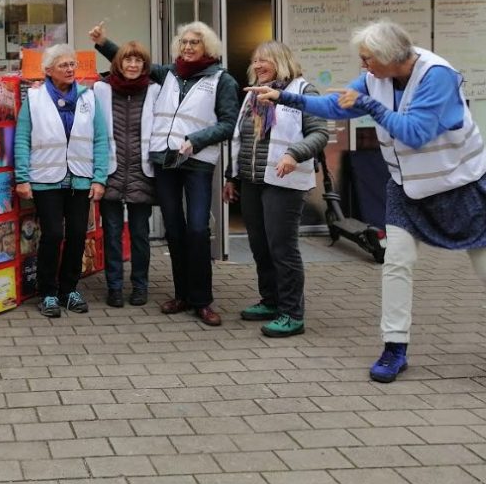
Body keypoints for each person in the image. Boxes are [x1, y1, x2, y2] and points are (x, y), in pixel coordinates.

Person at [248, 20, 486, 382]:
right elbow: (335, 105)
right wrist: (286, 97)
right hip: (407, 188)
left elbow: (415, 133)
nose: (363, 67)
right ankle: (394, 348)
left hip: (461, 185)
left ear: (391, 58)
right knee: (396, 263)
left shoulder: (437, 77)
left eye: (367, 59)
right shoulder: (377, 77)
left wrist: (369, 106)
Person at [91, 22, 239, 326]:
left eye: (194, 42)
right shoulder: (169, 72)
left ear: (207, 47)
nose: (187, 47)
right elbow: (130, 61)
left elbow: (229, 122)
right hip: (165, 161)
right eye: (184, 42)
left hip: (196, 161)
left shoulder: (221, 79)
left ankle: (203, 300)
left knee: (197, 229)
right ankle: (182, 294)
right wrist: (103, 42)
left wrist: (196, 140)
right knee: (173, 228)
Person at [223, 41, 329, 337]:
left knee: (282, 248)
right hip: (252, 180)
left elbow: (320, 133)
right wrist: (232, 178)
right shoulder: (253, 94)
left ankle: (292, 313)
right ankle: (270, 301)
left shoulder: (302, 91)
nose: (257, 66)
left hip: (285, 182)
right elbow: (241, 139)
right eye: (255, 61)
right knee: (260, 246)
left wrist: (294, 153)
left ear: (281, 61)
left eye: (264, 60)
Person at [15, 44, 109, 318]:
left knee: (78, 234)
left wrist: (99, 178)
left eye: (72, 64)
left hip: (79, 179)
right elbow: (22, 139)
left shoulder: (89, 98)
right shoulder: (34, 99)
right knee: (53, 234)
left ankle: (70, 289)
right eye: (63, 65)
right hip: (46, 180)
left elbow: (101, 140)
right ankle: (47, 293)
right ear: (48, 70)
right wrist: (22, 178)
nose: (70, 69)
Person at [93, 41, 159, 308]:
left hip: (143, 171)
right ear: (118, 63)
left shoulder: (155, 90)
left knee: (141, 234)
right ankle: (115, 287)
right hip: (110, 169)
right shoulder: (100, 89)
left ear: (145, 65)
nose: (133, 65)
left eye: (138, 61)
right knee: (111, 231)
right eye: (127, 60)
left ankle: (140, 287)